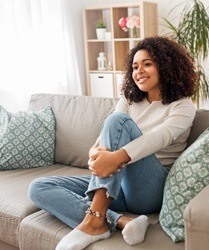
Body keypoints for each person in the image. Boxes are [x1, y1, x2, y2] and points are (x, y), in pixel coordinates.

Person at [28, 36, 197, 250]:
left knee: (119, 121)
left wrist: (116, 157)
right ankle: (119, 221)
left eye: (147, 64)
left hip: (149, 189)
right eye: (135, 67)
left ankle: (95, 222)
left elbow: (160, 137)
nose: (139, 71)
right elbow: (107, 134)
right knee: (40, 187)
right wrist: (95, 152)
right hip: (118, 184)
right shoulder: (129, 99)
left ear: (166, 66)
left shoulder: (183, 106)